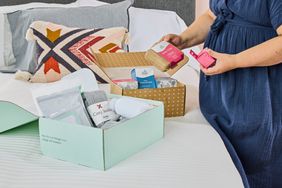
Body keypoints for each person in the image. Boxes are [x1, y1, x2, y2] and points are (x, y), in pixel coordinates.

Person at [161, 0, 282, 187]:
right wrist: (182, 40)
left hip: (257, 89)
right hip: (220, 89)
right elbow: (213, 15)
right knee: (222, 157)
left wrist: (234, 61)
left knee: (257, 157)